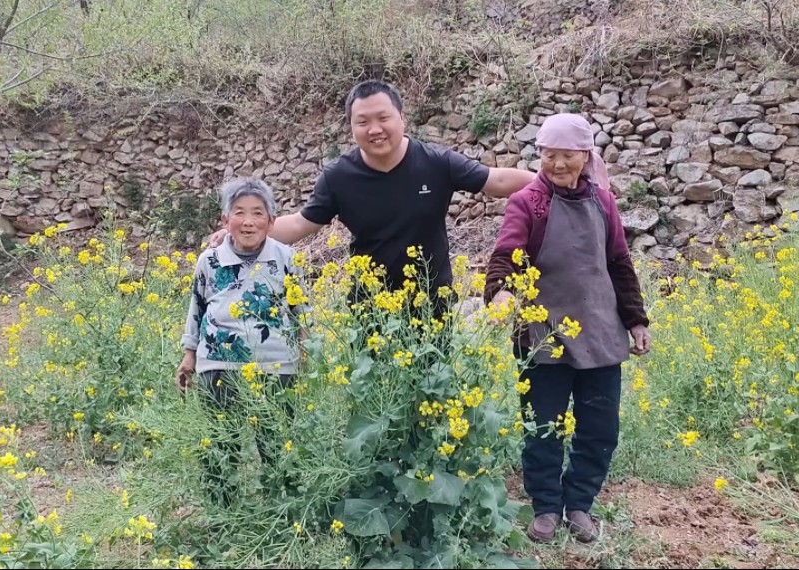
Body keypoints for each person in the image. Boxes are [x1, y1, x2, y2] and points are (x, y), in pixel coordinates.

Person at [483, 114, 651, 543]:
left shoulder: (603, 201)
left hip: (598, 329)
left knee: (599, 428)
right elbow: (507, 252)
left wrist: (635, 320)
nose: (558, 164)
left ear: (585, 156)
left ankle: (579, 504)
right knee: (543, 427)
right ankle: (545, 507)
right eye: (549, 155)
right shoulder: (528, 202)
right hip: (542, 336)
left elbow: (618, 262)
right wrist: (500, 293)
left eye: (568, 155)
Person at [209, 79, 535, 295]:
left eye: (383, 118)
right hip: (370, 304)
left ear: (401, 118)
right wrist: (245, 230)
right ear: (351, 126)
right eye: (362, 122)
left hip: (432, 298)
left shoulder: (437, 162)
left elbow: (497, 181)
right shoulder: (339, 176)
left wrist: (549, 181)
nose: (374, 129)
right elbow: (301, 223)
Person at [176, 177, 305, 506]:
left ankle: (281, 511)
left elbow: (300, 310)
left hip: (276, 365)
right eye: (239, 213)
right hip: (219, 363)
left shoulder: (287, 258)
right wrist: (189, 356)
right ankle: (223, 516)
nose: (248, 222)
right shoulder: (210, 260)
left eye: (258, 213)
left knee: (277, 443)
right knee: (221, 443)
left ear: (272, 222)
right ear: (225, 220)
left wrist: (307, 356)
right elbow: (198, 307)